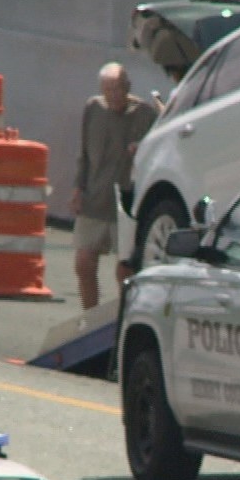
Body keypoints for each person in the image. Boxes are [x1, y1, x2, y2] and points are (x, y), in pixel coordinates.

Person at [70, 62, 159, 310]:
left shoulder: (145, 114)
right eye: (107, 90)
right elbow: (84, 153)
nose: (113, 95)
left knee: (125, 270)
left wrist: (141, 148)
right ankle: (89, 316)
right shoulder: (93, 108)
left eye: (118, 89)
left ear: (127, 87)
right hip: (95, 196)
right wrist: (77, 189)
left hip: (127, 202)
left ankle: (123, 319)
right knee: (84, 262)